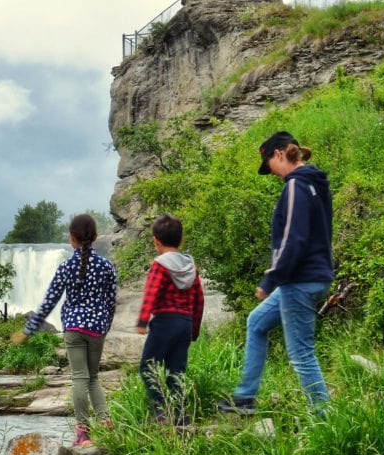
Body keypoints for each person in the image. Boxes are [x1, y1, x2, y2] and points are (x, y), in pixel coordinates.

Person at [217, 131, 334, 416]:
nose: (271, 173)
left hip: (300, 279)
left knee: (301, 353)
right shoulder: (315, 183)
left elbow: (294, 238)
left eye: (269, 164)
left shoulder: (295, 186)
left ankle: (325, 420)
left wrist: (272, 278)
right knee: (257, 321)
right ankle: (245, 397)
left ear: (279, 154)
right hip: (312, 275)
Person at [23, 213, 118, 447]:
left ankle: (83, 433)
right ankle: (106, 424)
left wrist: (30, 328)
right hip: (97, 329)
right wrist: (104, 326)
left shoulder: (66, 266)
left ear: (71, 238)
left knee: (79, 378)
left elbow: (50, 301)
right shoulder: (107, 266)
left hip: (73, 328)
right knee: (93, 377)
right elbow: (111, 301)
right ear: (95, 237)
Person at [136, 213, 204, 426]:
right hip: (184, 323)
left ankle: (160, 410)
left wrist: (142, 321)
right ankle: (180, 416)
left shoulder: (160, 265)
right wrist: (194, 329)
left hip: (164, 322)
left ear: (156, 240)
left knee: (147, 367)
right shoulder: (190, 267)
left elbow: (151, 292)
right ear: (181, 240)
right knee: (176, 371)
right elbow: (199, 300)